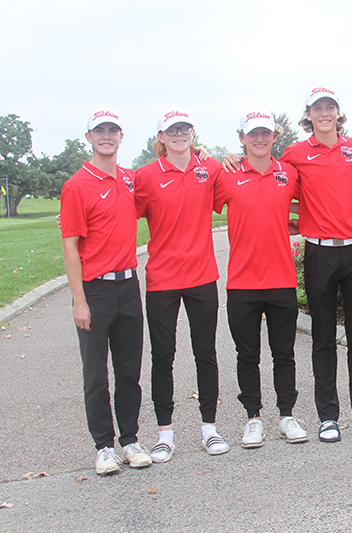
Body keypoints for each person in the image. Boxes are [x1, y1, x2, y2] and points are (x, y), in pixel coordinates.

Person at [281, 86, 352, 442]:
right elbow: (281, 193)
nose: (324, 113)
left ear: (339, 113)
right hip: (319, 252)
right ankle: (328, 416)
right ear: (308, 115)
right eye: (317, 108)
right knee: (322, 337)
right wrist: (301, 214)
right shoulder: (295, 153)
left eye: (330, 107)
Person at [60, 108, 152, 475]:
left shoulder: (130, 180)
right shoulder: (76, 185)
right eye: (100, 131)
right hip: (95, 291)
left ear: (120, 136)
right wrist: (79, 300)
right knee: (96, 373)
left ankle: (129, 440)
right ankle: (103, 446)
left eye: (112, 130)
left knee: (129, 370)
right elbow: (69, 247)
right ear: (90, 138)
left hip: (128, 286)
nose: (107, 136)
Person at [134, 108, 228, 461]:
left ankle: (210, 429)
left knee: (206, 353)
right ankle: (165, 434)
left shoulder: (210, 169)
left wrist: (225, 157)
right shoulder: (145, 176)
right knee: (163, 357)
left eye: (184, 129)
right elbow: (122, 212)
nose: (178, 134)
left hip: (202, 276)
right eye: (171, 130)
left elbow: (229, 191)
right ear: (160, 138)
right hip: (162, 279)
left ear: (193, 134)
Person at [214, 108, 308, 448]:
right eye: (252, 134)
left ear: (274, 137)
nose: (259, 139)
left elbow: (308, 203)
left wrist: (296, 223)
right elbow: (197, 190)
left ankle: (287, 415)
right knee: (247, 355)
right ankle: (253, 418)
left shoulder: (289, 173)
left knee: (284, 353)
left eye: (265, 133)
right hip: (242, 282)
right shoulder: (226, 175)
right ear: (241, 139)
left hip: (281, 278)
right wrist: (202, 153)